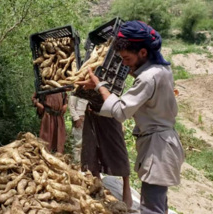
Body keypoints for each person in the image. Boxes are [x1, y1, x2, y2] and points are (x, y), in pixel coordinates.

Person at [78, 20, 185, 214]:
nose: (125, 64)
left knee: (152, 208)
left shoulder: (148, 77)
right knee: (157, 203)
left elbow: (119, 112)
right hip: (162, 143)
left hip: (158, 149)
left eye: (127, 59)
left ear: (143, 53)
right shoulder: (161, 70)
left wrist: (100, 86)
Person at [77, 91, 133, 209]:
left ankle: (127, 191)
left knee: (118, 150)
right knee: (91, 149)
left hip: (110, 111)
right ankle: (99, 189)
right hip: (92, 111)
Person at [68, 94, 88, 162]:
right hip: (80, 118)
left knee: (87, 142)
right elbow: (71, 105)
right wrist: (76, 118)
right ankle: (77, 161)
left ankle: (86, 161)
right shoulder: (77, 91)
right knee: (78, 142)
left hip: (89, 118)